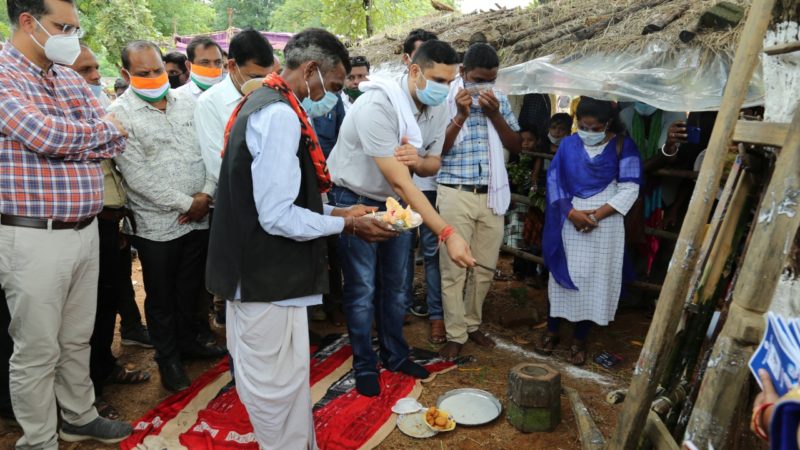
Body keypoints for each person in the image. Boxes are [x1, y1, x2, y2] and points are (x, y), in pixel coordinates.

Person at [206, 28, 399, 449]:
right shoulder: (277, 116)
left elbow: (278, 201)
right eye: (330, 85)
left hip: (264, 274)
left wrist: (340, 212)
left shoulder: (269, 104)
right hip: (265, 277)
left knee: (287, 384)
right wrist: (347, 225)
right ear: (311, 69)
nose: (327, 96)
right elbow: (278, 216)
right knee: (275, 390)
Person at [0, 0, 133, 447]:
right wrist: (86, 136)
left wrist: (78, 137)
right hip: (32, 234)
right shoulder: (3, 73)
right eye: (63, 26)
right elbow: (45, 135)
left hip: (84, 230)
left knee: (77, 338)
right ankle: (38, 439)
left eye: (76, 27)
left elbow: (112, 136)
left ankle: (78, 417)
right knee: (37, 349)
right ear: (27, 21)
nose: (71, 36)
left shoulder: (66, 77)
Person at [327, 39, 475, 396]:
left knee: (397, 286)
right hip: (355, 199)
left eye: (450, 81)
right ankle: (365, 363)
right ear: (414, 71)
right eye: (438, 80)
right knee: (363, 288)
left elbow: (432, 163)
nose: (445, 89)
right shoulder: (378, 106)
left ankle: (395, 354)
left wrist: (419, 161)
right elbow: (400, 179)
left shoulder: (437, 109)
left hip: (395, 201)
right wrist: (447, 232)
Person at [110, 40, 225, 393]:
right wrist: (185, 204)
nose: (153, 77)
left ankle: (189, 341)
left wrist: (205, 195)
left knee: (191, 291)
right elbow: (137, 176)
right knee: (161, 298)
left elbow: (210, 150)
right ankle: (168, 358)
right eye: (143, 73)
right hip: (158, 225)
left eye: (157, 70)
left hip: (200, 213)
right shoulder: (119, 115)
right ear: (126, 74)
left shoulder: (190, 103)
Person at [67, 44, 151, 421]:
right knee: (86, 317)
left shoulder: (95, 109)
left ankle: (103, 366)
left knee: (108, 305)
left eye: (96, 68)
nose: (96, 76)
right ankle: (90, 394)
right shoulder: (63, 121)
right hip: (85, 226)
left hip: (110, 223)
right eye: (85, 70)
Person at [538, 97, 642, 365]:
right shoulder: (569, 144)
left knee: (592, 281)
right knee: (562, 275)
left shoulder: (623, 145)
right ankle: (552, 331)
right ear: (577, 122)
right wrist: (572, 213)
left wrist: (595, 216)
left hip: (605, 226)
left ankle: (579, 340)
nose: (590, 133)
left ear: (608, 123)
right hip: (569, 221)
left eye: (596, 128)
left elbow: (630, 187)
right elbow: (554, 180)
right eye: (584, 126)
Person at [437, 43, 522, 358]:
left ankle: (472, 324)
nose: (483, 86)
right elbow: (436, 152)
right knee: (453, 269)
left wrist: (494, 114)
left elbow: (516, 143)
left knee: (485, 268)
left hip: (492, 195)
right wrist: (460, 115)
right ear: (462, 73)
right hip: (455, 191)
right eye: (477, 79)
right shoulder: (444, 99)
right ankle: (455, 333)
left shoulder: (497, 100)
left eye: (490, 80)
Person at [399, 29, 439, 323]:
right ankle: (400, 304)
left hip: (430, 186)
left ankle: (434, 310)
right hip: (397, 188)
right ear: (408, 61)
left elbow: (436, 156)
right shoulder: (389, 98)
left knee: (431, 248)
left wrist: (424, 163)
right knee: (400, 246)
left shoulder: (440, 101)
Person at [618, 101, 686, 276]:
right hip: (631, 189)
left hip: (663, 191)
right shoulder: (626, 115)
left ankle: (647, 288)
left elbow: (667, 157)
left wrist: (631, 171)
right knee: (630, 238)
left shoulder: (675, 115)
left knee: (657, 240)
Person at [175, 36, 224, 101]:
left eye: (218, 62)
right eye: (205, 62)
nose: (213, 67)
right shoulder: (176, 98)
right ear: (189, 66)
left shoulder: (233, 95)